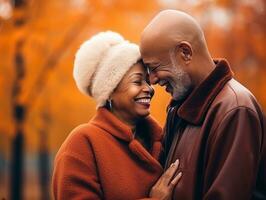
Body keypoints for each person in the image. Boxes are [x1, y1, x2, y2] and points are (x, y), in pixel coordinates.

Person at [140, 10, 266, 200]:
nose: (152, 80)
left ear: (185, 53)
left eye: (155, 68)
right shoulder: (180, 107)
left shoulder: (235, 110)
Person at [52, 31, 182, 200]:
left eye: (148, 82)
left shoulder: (165, 139)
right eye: (137, 81)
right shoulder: (82, 143)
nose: (149, 89)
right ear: (110, 92)